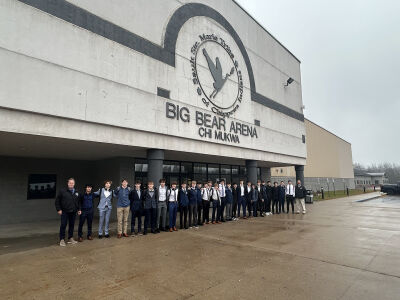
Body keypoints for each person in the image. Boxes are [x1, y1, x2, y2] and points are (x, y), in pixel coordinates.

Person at [55, 178, 81, 246]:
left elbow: (78, 202)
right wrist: (59, 209)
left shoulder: (76, 192)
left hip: (73, 211)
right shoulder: (62, 191)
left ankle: (70, 238)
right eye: (70, 183)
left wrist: (79, 209)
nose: (71, 184)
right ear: (68, 183)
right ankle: (62, 240)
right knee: (63, 225)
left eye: (72, 183)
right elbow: (57, 201)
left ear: (74, 184)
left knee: (71, 225)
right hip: (64, 212)